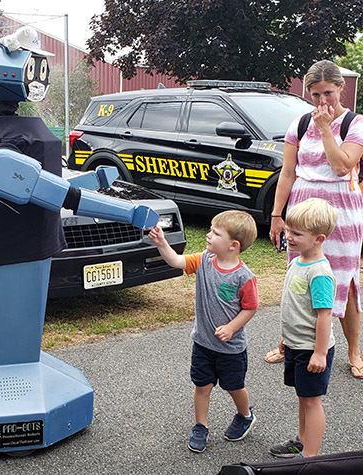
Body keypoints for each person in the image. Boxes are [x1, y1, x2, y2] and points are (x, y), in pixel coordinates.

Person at [268, 59, 363, 379]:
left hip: (342, 212)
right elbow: (287, 174)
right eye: (316, 94)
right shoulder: (297, 125)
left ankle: (353, 349)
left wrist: (325, 129)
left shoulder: (355, 123)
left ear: (342, 89)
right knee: (299, 276)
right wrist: (277, 216)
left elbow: (341, 166)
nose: (323, 102)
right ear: (308, 91)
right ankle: (289, 341)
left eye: (329, 93)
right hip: (302, 210)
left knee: (345, 283)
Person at [149, 210, 258, 453]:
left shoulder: (244, 276)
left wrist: (231, 327)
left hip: (231, 349)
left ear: (233, 245)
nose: (208, 235)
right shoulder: (204, 260)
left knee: (234, 386)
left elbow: (251, 308)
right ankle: (201, 426)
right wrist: (161, 243)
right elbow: (177, 261)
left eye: (215, 233)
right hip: (203, 343)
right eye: (210, 229)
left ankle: (245, 415)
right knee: (202, 385)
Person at [269, 198, 337, 458]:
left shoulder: (319, 272)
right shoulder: (298, 261)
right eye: (288, 230)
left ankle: (310, 455)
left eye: (297, 233)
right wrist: (286, 337)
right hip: (296, 344)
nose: (289, 236)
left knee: (312, 401)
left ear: (319, 238)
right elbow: (295, 308)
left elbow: (324, 316)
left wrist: (320, 353)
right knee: (302, 397)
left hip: (312, 349)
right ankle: (302, 440)